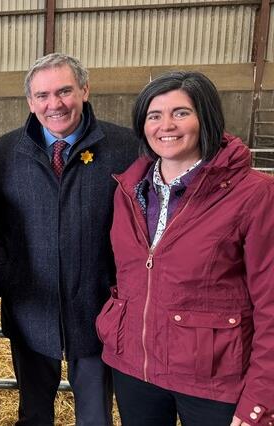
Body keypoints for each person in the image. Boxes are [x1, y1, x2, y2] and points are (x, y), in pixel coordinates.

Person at [96, 71, 274, 426]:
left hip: (212, 377)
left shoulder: (253, 194)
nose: (167, 126)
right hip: (135, 367)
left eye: (181, 112)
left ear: (205, 117)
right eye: (154, 115)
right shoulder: (128, 191)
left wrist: (261, 397)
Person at [0, 53, 137, 426]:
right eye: (43, 95)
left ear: (84, 90)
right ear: (31, 103)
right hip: (31, 312)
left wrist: (123, 289)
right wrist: (7, 276)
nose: (55, 104)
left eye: (65, 91)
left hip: (98, 312)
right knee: (33, 414)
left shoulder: (125, 148)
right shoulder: (6, 151)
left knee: (96, 416)